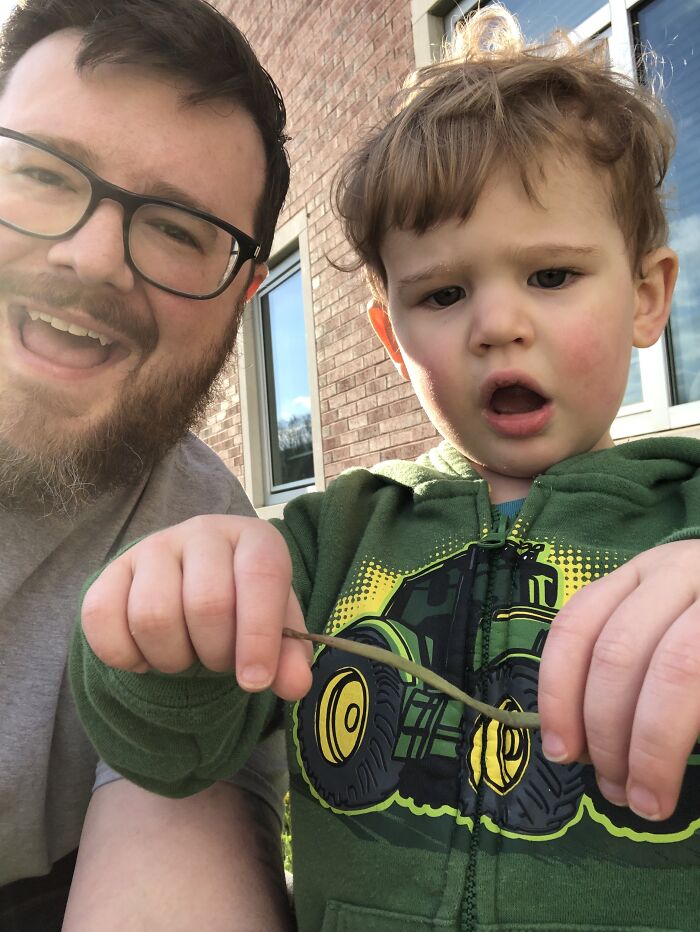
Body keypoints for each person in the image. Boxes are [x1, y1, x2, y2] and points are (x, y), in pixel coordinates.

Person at [70, 6, 700, 931]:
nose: (497, 325)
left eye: (552, 276)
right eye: (443, 293)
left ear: (647, 297)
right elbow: (174, 756)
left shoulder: (686, 523)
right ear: (392, 338)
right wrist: (164, 629)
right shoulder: (334, 540)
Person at [0, 0, 295, 929]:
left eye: (177, 230)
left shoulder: (204, 556)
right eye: (43, 173)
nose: (91, 258)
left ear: (246, 296)